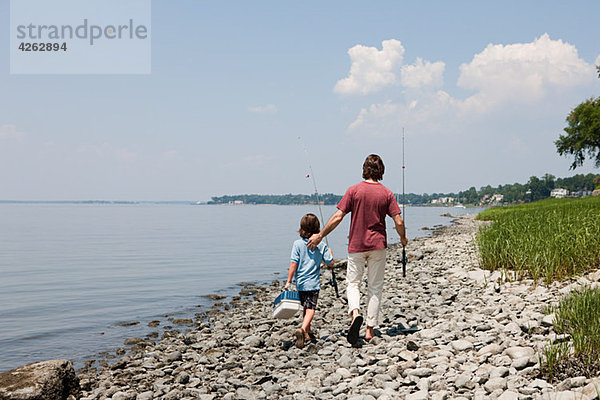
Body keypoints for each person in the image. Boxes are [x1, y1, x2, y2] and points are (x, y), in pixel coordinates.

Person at [307, 154, 408, 344]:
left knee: (353, 283)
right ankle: (369, 330)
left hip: (356, 245)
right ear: (381, 170)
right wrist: (402, 238)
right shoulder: (386, 194)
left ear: (364, 169)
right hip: (378, 246)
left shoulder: (354, 191)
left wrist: (320, 235)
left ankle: (355, 314)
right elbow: (399, 221)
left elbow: (338, 217)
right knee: (375, 287)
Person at [284, 213, 334, 349]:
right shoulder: (321, 245)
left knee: (305, 307)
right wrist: (329, 251)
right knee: (311, 308)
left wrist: (288, 281)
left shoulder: (297, 244)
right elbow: (330, 263)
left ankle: (308, 331)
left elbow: (293, 263)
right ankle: (303, 329)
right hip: (313, 283)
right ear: (317, 228)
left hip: (300, 282)